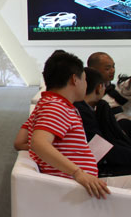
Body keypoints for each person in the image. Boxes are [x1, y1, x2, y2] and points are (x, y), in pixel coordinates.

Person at [13, 50, 109, 198]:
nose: (86, 85)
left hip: (80, 186)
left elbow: (20, 142)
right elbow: (38, 143)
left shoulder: (46, 104)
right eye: (84, 79)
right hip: (79, 189)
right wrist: (78, 172)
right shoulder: (56, 107)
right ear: (74, 79)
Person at [74, 67, 131, 175]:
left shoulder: (87, 109)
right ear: (99, 87)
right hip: (95, 170)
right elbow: (102, 150)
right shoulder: (82, 112)